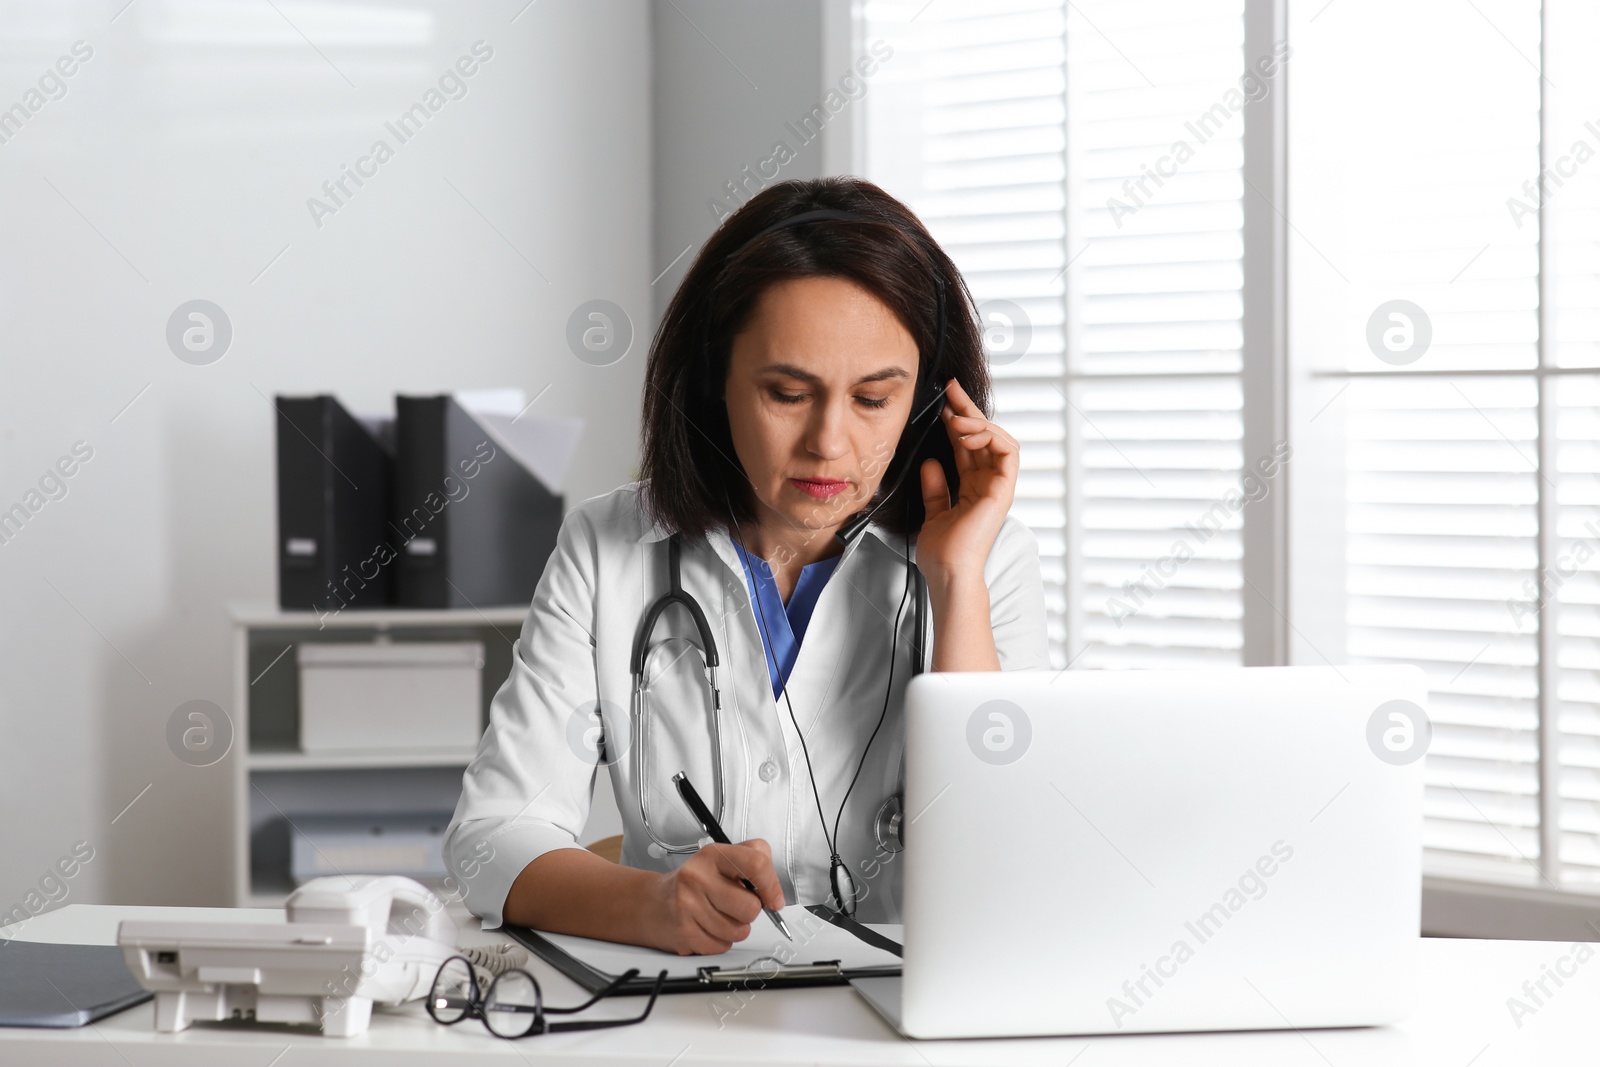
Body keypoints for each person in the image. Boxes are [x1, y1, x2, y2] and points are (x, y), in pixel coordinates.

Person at [443, 176, 1048, 955]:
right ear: (715, 384)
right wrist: (653, 904)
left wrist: (957, 580)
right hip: (682, 1015)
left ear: (930, 404)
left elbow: (1004, 860)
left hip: (908, 1017)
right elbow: (490, 839)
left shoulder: (990, 557)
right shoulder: (608, 546)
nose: (829, 443)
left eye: (873, 400)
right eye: (787, 392)